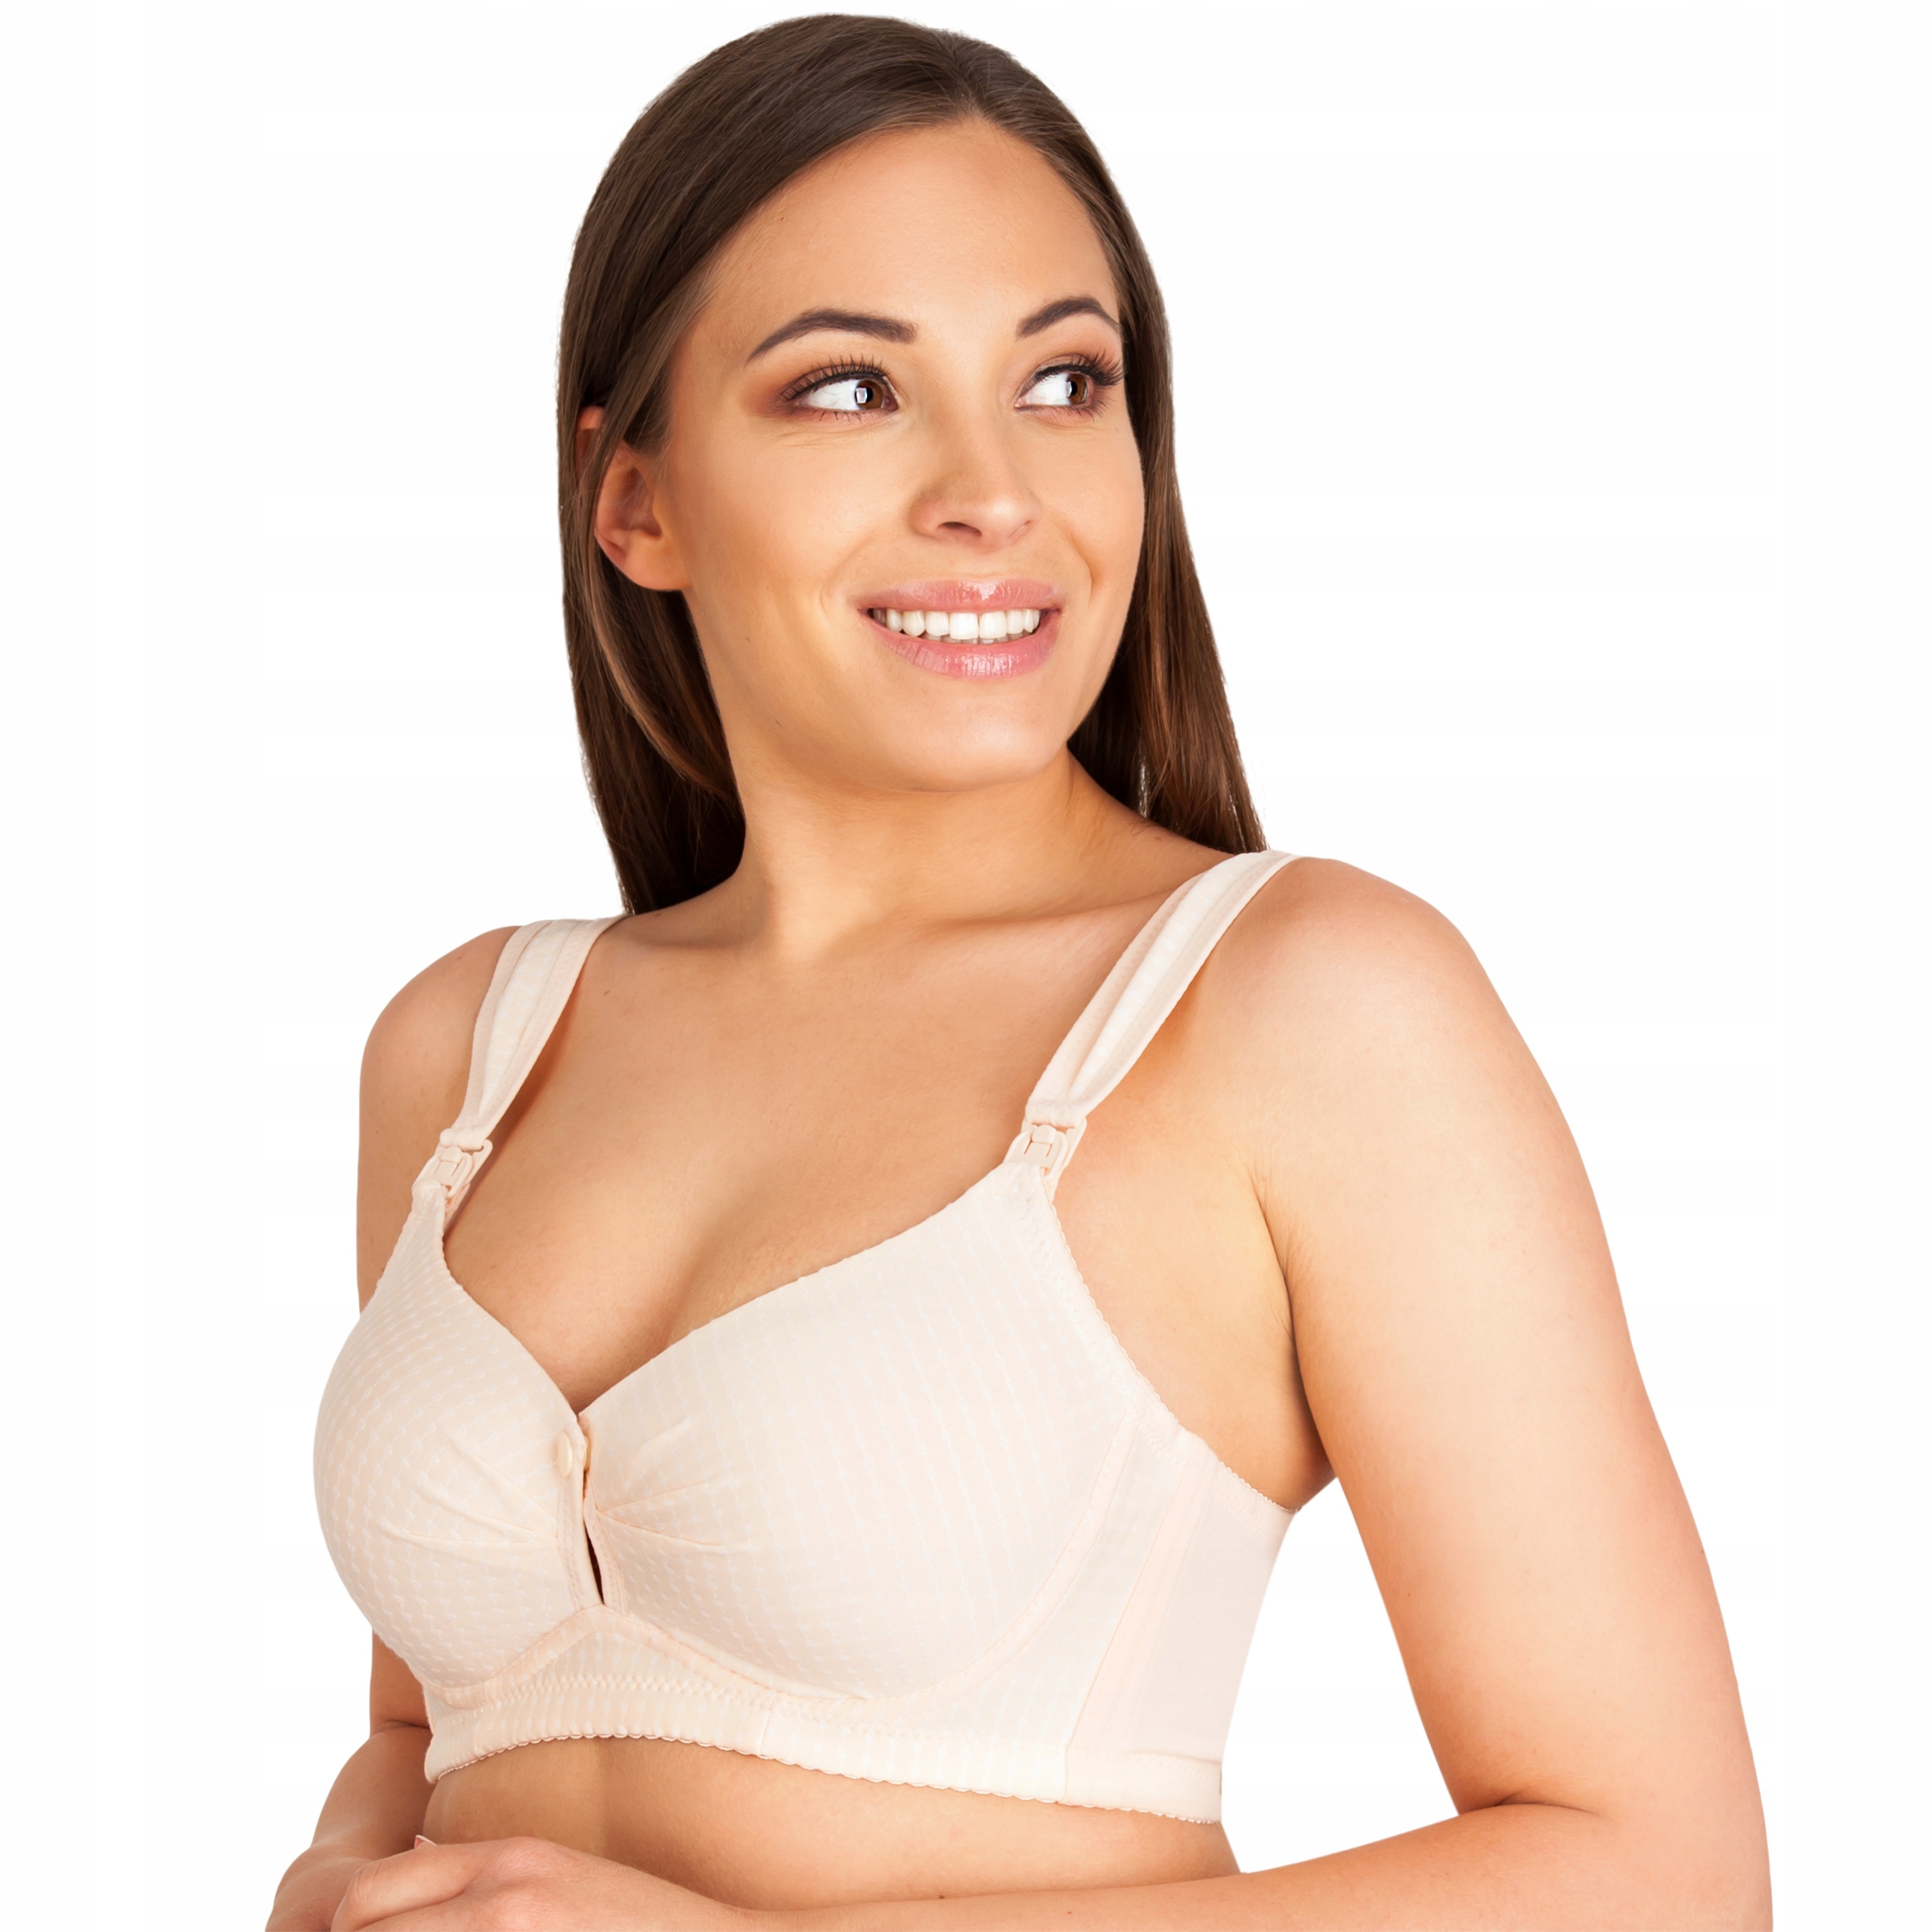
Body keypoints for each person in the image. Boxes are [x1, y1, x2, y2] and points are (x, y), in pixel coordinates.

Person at [270, 17, 1770, 1929]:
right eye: (847, 390)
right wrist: (341, 1865)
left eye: (1065, 380)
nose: (992, 490)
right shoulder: (471, 1047)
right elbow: (432, 1721)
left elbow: (1660, 1872)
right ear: (632, 499)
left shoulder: (1299, 1006)